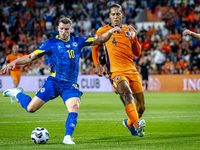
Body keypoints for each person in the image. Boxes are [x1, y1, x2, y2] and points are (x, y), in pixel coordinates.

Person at [2, 17, 121, 144]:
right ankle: (17, 93)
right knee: (31, 108)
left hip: (70, 84)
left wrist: (111, 31)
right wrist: (15, 61)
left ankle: (67, 138)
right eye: (61, 29)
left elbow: (100, 40)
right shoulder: (50, 43)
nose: (63, 32)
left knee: (74, 107)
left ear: (71, 29)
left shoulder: (78, 41)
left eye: (66, 29)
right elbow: (31, 57)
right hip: (53, 82)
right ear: (58, 29)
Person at [92, 4, 146, 137]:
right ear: (109, 16)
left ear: (122, 14)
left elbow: (138, 53)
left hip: (131, 70)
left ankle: (129, 123)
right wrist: (97, 64)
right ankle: (138, 125)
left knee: (142, 107)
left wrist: (134, 38)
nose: (115, 16)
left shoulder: (129, 29)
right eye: (113, 14)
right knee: (127, 94)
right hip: (116, 71)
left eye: (118, 14)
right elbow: (94, 47)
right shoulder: (102, 31)